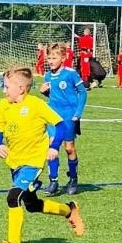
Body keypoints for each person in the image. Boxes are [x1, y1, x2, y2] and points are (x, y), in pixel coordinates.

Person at [0, 66, 86, 243]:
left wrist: (54, 146)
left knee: (13, 197)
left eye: (7, 86)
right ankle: (69, 210)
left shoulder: (36, 105)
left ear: (21, 88)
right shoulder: (4, 105)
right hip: (15, 163)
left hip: (32, 163)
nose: (4, 90)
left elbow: (59, 125)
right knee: (32, 205)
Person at [41, 41, 88, 197]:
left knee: (69, 148)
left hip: (69, 116)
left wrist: (78, 114)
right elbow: (53, 95)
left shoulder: (70, 73)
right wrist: (44, 92)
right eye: (49, 58)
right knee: (52, 148)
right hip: (53, 116)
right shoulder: (47, 76)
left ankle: (73, 178)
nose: (51, 61)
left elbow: (83, 93)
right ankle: (53, 181)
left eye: (54, 57)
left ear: (63, 57)